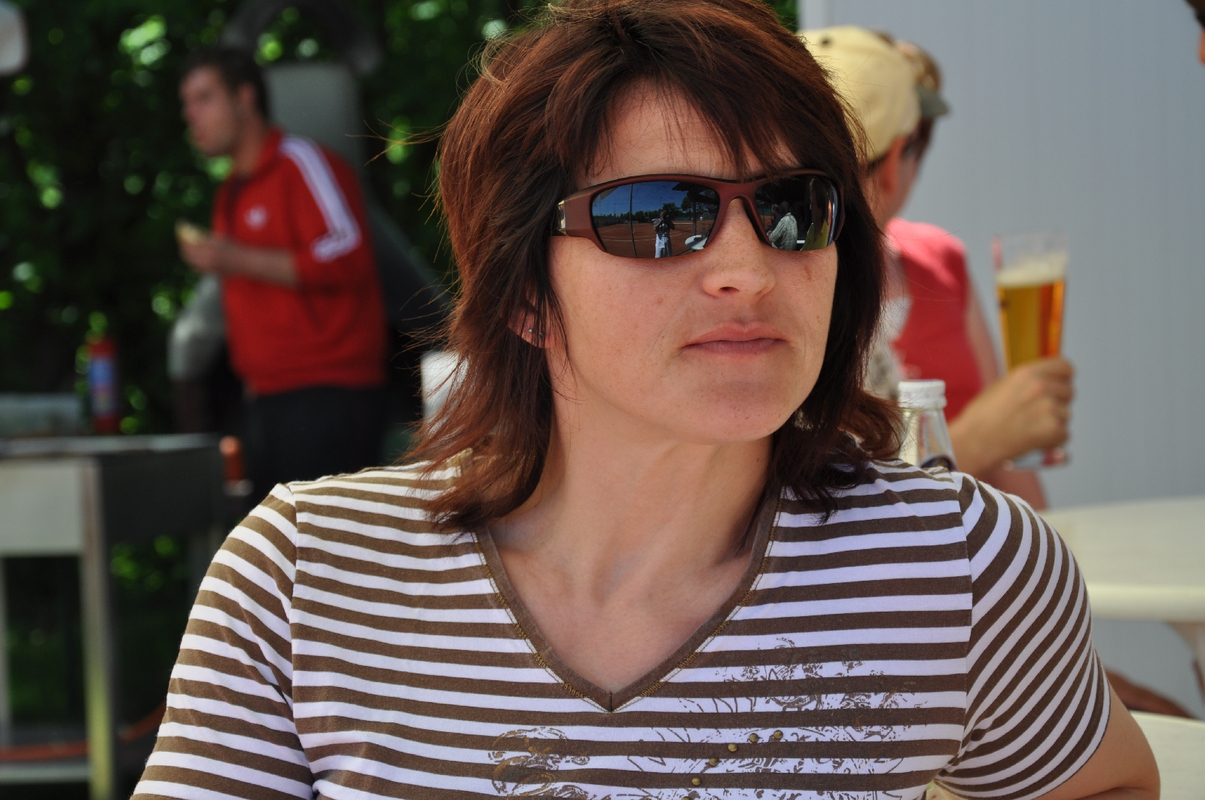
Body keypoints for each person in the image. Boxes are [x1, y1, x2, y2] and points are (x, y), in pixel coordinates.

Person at [133, 2, 1157, 798]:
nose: (747, 269)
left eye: (791, 209)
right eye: (660, 216)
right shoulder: (304, 577)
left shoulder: (960, 565)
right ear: (521, 291)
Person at [802, 26, 1073, 510]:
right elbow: (823, 501)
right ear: (896, 159)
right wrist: (979, 438)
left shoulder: (937, 257)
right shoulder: (929, 264)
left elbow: (1012, 457)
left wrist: (1047, 541)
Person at [177, 47, 388, 499]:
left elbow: (349, 252)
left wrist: (235, 259)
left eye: (204, 98)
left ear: (244, 98)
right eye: (187, 103)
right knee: (276, 542)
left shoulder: (300, 161)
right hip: (264, 398)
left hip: (330, 392)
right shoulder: (228, 193)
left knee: (329, 541)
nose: (191, 114)